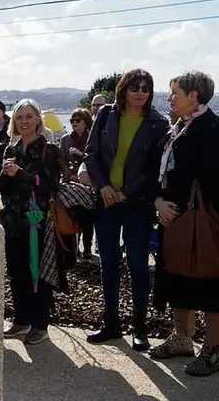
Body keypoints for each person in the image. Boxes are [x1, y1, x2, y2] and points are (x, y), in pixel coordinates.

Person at [84, 69, 169, 351]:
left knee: (138, 266)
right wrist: (104, 187)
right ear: (124, 89)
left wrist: (125, 192)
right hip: (106, 203)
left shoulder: (158, 123)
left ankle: (140, 328)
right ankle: (110, 323)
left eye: (146, 87)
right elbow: (90, 154)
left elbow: (152, 168)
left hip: (137, 206)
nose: (141, 92)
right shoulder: (106, 114)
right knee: (108, 264)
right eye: (135, 86)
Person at [149, 70, 219, 376]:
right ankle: (182, 338)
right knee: (176, 279)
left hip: (204, 223)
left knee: (209, 285)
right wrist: (159, 202)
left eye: (175, 92)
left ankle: (214, 350)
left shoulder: (211, 130)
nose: (169, 98)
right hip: (173, 220)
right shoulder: (177, 129)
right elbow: (159, 175)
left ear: (194, 96)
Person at [0, 99, 70, 345]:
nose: (24, 121)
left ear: (38, 119)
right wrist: (6, 176)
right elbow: (3, 188)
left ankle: (40, 324)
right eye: (19, 117)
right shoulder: (11, 149)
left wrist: (20, 174)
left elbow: (48, 185)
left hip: (36, 220)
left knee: (36, 273)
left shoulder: (48, 150)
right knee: (17, 272)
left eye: (29, 116)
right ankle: (21, 320)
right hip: (12, 220)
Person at [61, 108, 95, 258]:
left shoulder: (93, 138)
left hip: (88, 183)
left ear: (86, 122)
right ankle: (73, 248)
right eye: (72, 120)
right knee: (70, 216)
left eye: (78, 120)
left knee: (87, 217)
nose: (74, 123)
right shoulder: (66, 139)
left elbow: (95, 160)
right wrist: (67, 173)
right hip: (70, 183)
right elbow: (61, 159)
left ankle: (87, 248)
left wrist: (81, 155)